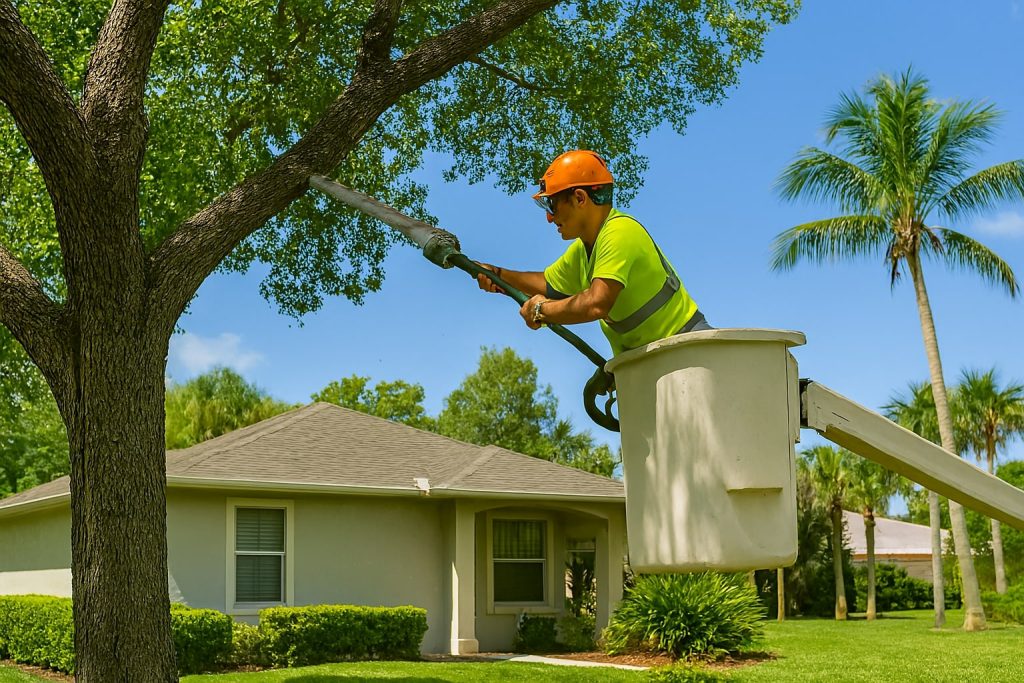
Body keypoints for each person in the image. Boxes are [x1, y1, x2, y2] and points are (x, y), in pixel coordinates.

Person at [477, 150, 710, 358]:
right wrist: (497, 274)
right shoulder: (583, 250)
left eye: (552, 205)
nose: (549, 217)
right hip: (647, 361)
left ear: (580, 198)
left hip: (690, 348)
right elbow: (547, 284)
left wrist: (541, 310)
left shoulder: (620, 232)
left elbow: (596, 303)